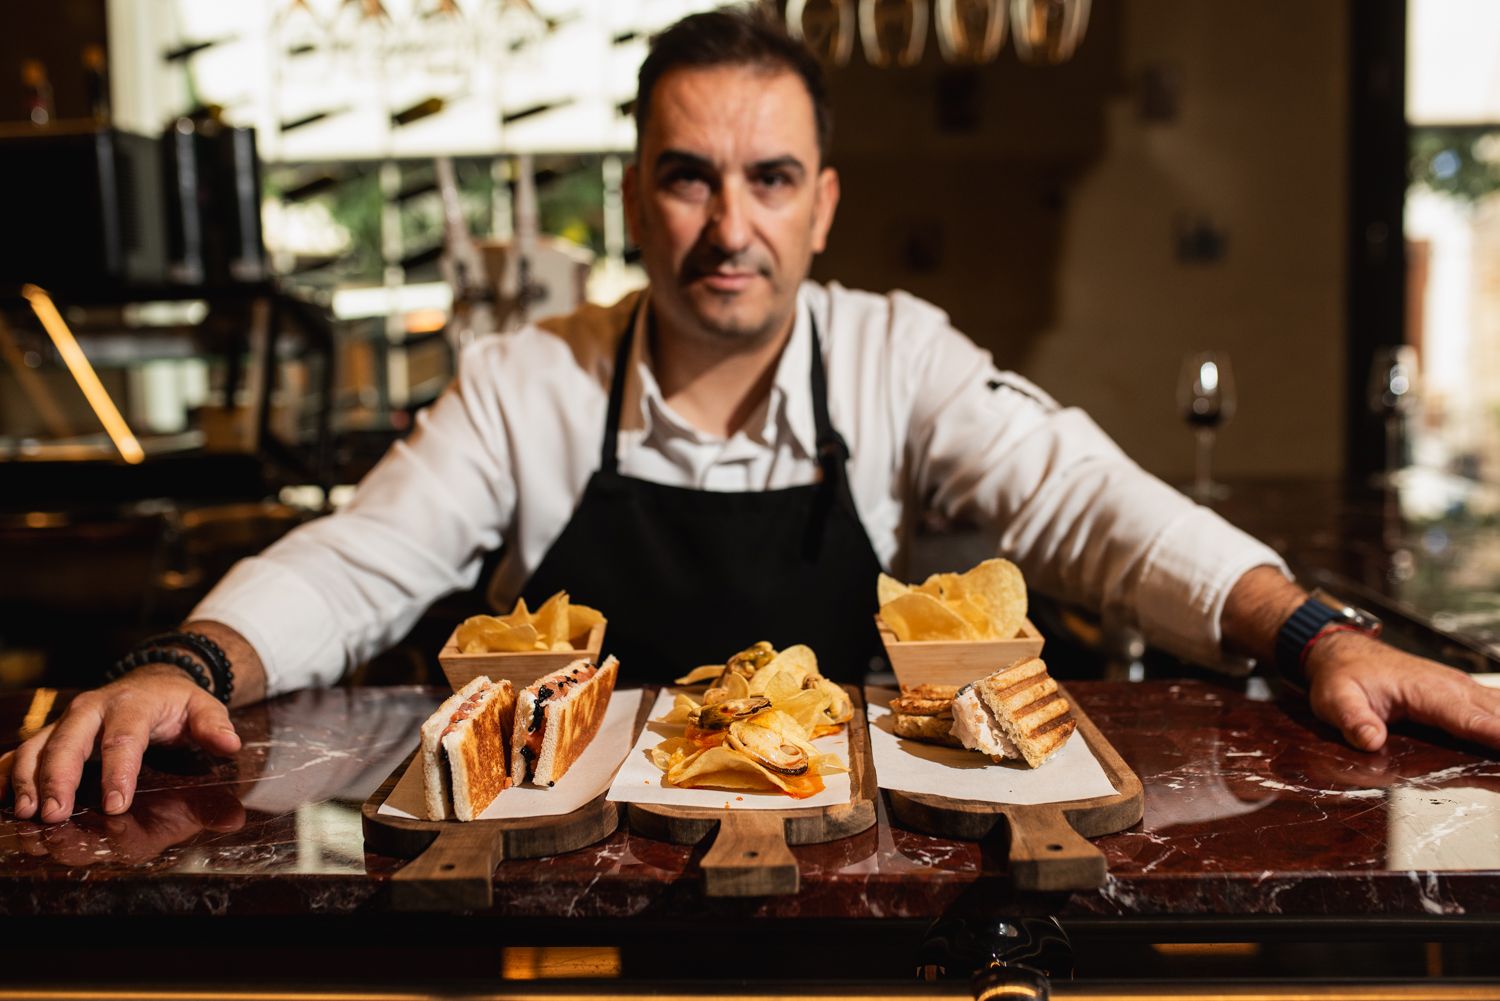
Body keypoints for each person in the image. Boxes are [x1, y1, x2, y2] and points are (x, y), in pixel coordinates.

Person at [4, 8, 1497, 826]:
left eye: (771, 178)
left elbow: (1090, 502)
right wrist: (178, 657)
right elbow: (356, 559)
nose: (732, 225)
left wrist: (1312, 636)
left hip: (843, 874)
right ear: (635, 197)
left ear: (824, 205)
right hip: (572, 897)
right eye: (689, 176)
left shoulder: (895, 354)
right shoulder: (531, 382)